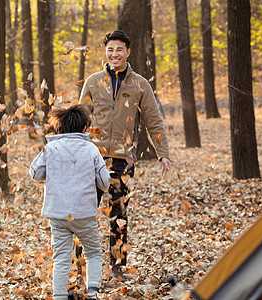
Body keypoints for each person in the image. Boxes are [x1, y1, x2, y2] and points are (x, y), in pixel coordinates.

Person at [79, 30, 171, 281]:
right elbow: (80, 121)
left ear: (128, 52)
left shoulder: (140, 84)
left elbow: (154, 121)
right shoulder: (93, 81)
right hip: (93, 158)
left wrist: (163, 153)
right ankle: (78, 264)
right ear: (105, 52)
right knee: (82, 212)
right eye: (110, 49)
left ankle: (117, 267)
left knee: (118, 214)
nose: (114, 53)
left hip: (123, 160)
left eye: (119, 49)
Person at [30, 105, 110, 300]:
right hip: (84, 213)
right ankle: (92, 293)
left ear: (59, 129)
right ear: (84, 128)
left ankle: (59, 296)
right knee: (93, 252)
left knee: (61, 258)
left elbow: (35, 173)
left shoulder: (51, 148)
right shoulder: (91, 149)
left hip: (57, 213)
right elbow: (105, 182)